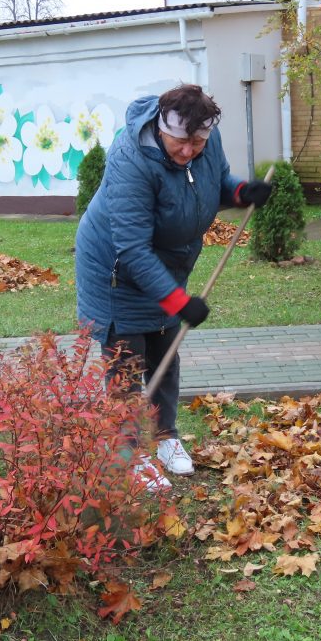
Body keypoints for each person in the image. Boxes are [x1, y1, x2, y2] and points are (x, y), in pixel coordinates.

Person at [74, 84, 272, 492]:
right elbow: (132, 248)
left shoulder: (204, 141)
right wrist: (179, 302)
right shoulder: (130, 160)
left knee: (166, 351)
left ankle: (166, 438)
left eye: (198, 142)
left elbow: (213, 183)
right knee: (127, 362)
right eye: (181, 142)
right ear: (163, 129)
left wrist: (240, 192)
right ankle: (129, 453)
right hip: (116, 271)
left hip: (166, 264)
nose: (188, 151)